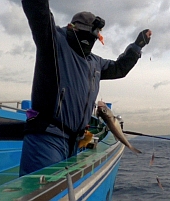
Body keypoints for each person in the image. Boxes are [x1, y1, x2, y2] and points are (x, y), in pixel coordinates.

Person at [19, 0, 152, 177]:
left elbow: (119, 68)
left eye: (94, 38)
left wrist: (137, 47)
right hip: (47, 139)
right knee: (40, 193)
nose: (90, 41)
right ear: (73, 28)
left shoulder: (95, 62)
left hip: (75, 143)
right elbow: (37, 10)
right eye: (87, 35)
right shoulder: (53, 41)